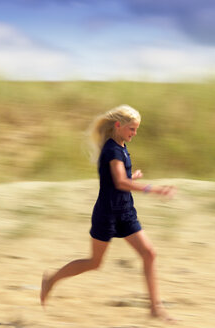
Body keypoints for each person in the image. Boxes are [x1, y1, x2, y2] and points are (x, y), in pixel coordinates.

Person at [40, 105, 175, 321]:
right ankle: (51, 279)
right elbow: (120, 182)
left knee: (149, 253)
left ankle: (155, 308)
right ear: (119, 126)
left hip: (125, 212)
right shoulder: (112, 149)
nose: (135, 133)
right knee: (94, 262)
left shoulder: (120, 146)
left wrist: (133, 177)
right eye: (132, 129)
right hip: (107, 213)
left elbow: (119, 179)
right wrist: (152, 189)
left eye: (136, 129)